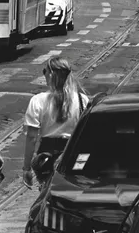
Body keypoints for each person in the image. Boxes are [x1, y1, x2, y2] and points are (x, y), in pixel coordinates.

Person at [21, 55, 89, 186]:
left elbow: (31, 137)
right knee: (75, 187)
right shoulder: (82, 100)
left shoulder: (38, 100)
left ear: (51, 74)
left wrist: (26, 168)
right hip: (74, 152)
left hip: (47, 153)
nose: (44, 75)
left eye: (44, 71)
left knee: (47, 189)